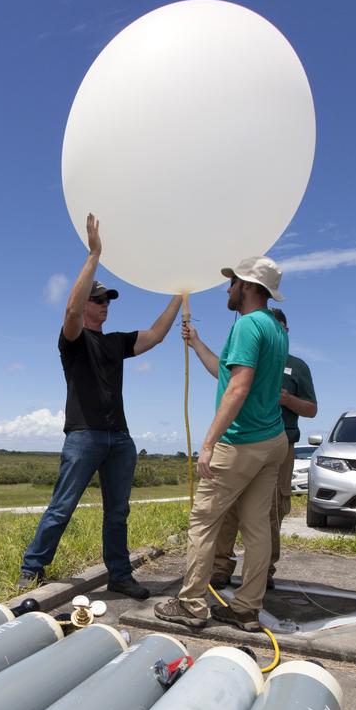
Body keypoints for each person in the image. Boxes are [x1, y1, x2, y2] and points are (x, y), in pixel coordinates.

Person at [18, 214, 182, 599]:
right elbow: (71, 314)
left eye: (107, 300)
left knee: (118, 512)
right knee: (63, 506)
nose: (105, 305)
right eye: (98, 299)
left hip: (119, 439)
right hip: (83, 436)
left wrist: (180, 294)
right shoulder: (73, 340)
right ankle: (32, 567)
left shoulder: (115, 343)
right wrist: (94, 254)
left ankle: (120, 576)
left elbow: (156, 336)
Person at [154, 257, 288, 633]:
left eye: (232, 283)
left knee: (203, 521)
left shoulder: (247, 325)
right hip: (272, 441)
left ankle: (192, 604)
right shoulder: (276, 329)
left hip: (240, 443)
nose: (227, 289)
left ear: (247, 286)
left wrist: (209, 442)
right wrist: (197, 344)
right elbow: (225, 373)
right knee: (257, 526)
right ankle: (246, 609)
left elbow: (238, 387)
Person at [205, 308, 317, 589]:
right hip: (240, 442)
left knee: (269, 511)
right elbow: (226, 378)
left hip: (280, 445)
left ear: (284, 333)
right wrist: (195, 342)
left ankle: (262, 573)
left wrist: (287, 399)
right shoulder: (246, 359)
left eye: (276, 328)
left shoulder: (297, 367)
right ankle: (220, 568)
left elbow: (312, 409)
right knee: (227, 508)